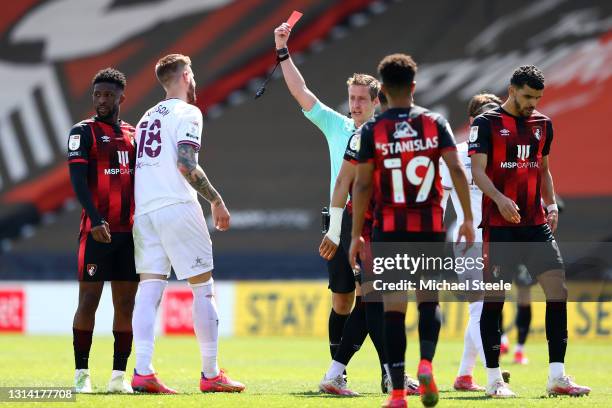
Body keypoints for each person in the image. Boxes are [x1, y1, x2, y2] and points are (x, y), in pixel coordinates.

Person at [349, 53, 475, 408]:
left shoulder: (374, 129)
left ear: (383, 90)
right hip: (429, 228)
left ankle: (400, 394)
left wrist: (358, 234)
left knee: (393, 309)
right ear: (414, 87)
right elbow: (456, 170)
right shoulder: (435, 123)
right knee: (428, 300)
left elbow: (361, 186)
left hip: (389, 229)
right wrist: (466, 217)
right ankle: (426, 364)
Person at [274, 22, 386, 388]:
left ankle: (388, 374)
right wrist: (282, 52)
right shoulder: (337, 126)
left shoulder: (389, 134)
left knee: (375, 299)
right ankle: (340, 375)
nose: (354, 105)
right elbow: (301, 91)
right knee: (343, 302)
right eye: (351, 98)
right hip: (339, 221)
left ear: (376, 101)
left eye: (361, 99)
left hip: (375, 224)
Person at [469, 65, 590, 397]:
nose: (532, 103)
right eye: (526, 97)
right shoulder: (486, 124)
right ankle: (494, 380)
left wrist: (550, 204)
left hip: (535, 224)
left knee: (557, 290)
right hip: (499, 225)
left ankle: (557, 376)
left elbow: (544, 168)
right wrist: (498, 198)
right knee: (495, 300)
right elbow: (478, 172)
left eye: (537, 98)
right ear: (511, 90)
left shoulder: (543, 125)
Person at [130, 54, 244, 394]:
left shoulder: (146, 117)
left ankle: (142, 371)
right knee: (202, 287)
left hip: (146, 211)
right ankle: (211, 374)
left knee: (149, 291)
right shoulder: (188, 112)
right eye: (191, 74)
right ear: (185, 75)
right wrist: (216, 199)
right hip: (176, 206)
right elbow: (185, 162)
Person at [318, 91, 419, 396]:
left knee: (371, 302)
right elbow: (343, 184)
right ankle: (388, 374)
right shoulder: (367, 136)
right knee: (373, 301)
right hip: (370, 228)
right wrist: (337, 231)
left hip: (386, 228)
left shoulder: (404, 136)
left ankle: (340, 373)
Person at [67, 68, 138, 394]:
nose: (101, 101)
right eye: (97, 95)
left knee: (125, 306)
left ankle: (117, 377)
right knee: (88, 302)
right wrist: (95, 220)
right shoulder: (83, 132)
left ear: (121, 97)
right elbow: (78, 182)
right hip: (95, 232)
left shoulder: (133, 134)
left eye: (108, 95)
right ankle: (82, 374)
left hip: (128, 235)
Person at [440, 93, 503, 391]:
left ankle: (465, 375)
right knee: (480, 309)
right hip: (469, 240)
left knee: (484, 310)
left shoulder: (505, 154)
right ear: (472, 121)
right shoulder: (454, 155)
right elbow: (440, 200)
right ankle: (495, 375)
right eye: (484, 117)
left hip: (501, 241)